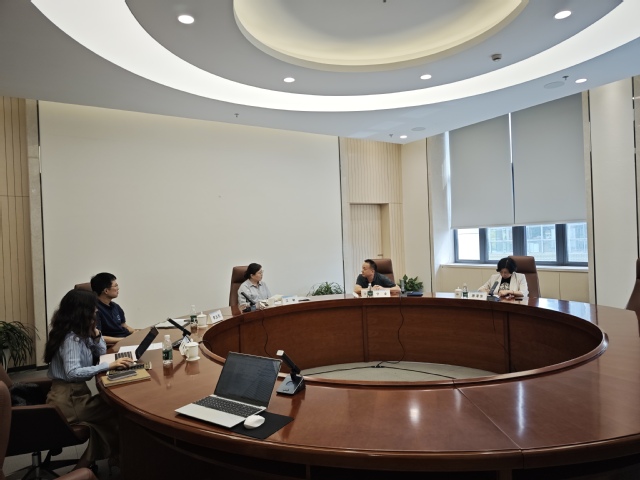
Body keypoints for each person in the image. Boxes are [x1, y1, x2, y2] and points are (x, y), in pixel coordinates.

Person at [44, 289, 133, 470]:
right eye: (93, 308)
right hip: (69, 401)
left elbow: (100, 352)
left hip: (74, 395)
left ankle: (95, 463)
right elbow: (72, 373)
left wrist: (96, 334)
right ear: (82, 311)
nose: (96, 311)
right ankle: (111, 459)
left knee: (105, 420)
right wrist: (108, 366)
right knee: (120, 410)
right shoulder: (71, 339)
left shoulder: (78, 332)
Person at [91, 272, 135, 344]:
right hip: (114, 344)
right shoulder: (95, 310)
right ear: (106, 291)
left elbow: (124, 325)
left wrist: (136, 332)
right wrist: (123, 340)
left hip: (125, 339)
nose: (118, 288)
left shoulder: (115, 306)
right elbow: (98, 336)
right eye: (115, 286)